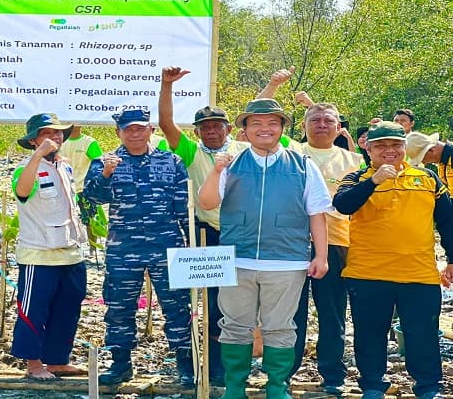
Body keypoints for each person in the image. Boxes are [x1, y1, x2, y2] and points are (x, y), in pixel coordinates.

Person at [198, 98, 331, 399]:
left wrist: (320, 256)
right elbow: (206, 203)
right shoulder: (231, 164)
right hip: (236, 259)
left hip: (287, 263)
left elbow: (317, 214)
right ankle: (234, 386)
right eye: (256, 123)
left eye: (272, 123)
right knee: (233, 325)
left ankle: (276, 386)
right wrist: (216, 171)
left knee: (281, 327)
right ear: (244, 131)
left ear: (282, 128)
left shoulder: (303, 166)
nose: (264, 129)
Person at [333, 121, 453, 399]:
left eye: (395, 145)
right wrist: (374, 181)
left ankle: (428, 387)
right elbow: (343, 205)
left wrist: (451, 258)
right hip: (368, 274)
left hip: (419, 273)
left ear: (404, 147)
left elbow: (447, 221)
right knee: (370, 334)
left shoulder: (427, 178)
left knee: (422, 334)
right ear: (368, 149)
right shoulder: (356, 178)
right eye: (380, 146)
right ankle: (373, 385)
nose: (389, 150)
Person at [84, 108, 195, 387]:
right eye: (128, 129)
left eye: (140, 128)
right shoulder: (104, 161)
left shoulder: (171, 161)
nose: (135, 134)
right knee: (119, 307)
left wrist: (190, 246)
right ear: (118, 132)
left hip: (167, 245)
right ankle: (120, 364)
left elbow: (183, 206)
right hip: (124, 247)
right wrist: (108, 174)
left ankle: (186, 364)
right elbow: (93, 198)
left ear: (150, 130)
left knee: (177, 307)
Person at [158, 66, 250, 385]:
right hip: (207, 235)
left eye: (216, 125)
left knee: (241, 300)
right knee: (211, 304)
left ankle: (240, 362)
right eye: (205, 127)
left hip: (244, 235)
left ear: (227, 128)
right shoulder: (189, 152)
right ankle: (212, 368)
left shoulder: (244, 151)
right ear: (197, 131)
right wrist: (166, 85)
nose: (211, 131)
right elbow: (166, 123)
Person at [288, 102, 363, 394]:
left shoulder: (354, 160)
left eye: (328, 120)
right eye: (314, 120)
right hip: (292, 243)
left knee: (332, 312)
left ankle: (332, 373)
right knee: (292, 312)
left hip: (336, 243)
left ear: (338, 127)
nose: (321, 124)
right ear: (304, 126)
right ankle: (285, 370)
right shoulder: (291, 154)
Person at [10, 113, 87, 380]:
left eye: (58, 133)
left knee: (68, 308)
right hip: (38, 254)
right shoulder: (25, 167)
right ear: (33, 140)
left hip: (70, 251)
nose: (54, 138)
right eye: (47, 134)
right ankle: (33, 363)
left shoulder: (64, 167)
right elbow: (21, 191)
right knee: (33, 310)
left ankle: (57, 360)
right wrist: (37, 156)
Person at [60, 125, 103, 244]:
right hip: (64, 187)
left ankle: (92, 248)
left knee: (90, 219)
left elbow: (99, 164)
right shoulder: (59, 142)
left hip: (84, 188)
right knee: (65, 219)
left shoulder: (89, 143)